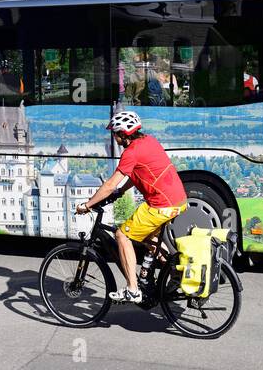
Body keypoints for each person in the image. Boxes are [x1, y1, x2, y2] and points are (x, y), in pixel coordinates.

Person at [76, 110, 188, 303]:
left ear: (123, 134)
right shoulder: (149, 141)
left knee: (122, 235)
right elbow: (138, 173)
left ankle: (132, 289)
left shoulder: (131, 152)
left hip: (160, 205)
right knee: (150, 238)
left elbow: (110, 184)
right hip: (178, 200)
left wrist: (87, 204)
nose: (114, 137)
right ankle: (175, 275)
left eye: (115, 133)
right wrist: (120, 192)